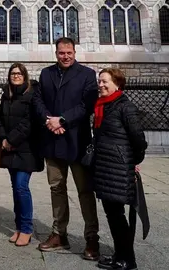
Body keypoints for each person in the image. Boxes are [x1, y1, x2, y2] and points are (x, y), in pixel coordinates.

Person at [32, 37, 100, 260]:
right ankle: (59, 233)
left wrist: (62, 120)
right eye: (62, 53)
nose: (66, 56)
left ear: (74, 51)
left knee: (84, 191)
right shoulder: (46, 74)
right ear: (56, 53)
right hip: (52, 140)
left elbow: (86, 106)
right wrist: (48, 120)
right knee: (57, 189)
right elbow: (38, 101)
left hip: (77, 141)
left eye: (69, 52)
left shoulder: (87, 75)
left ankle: (91, 237)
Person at [92, 68, 147, 270]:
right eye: (99, 81)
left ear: (117, 83)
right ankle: (119, 254)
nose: (101, 85)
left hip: (118, 169)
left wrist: (133, 162)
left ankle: (128, 260)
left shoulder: (125, 107)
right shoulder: (103, 106)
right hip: (105, 168)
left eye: (105, 81)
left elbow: (139, 140)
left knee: (118, 216)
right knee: (112, 215)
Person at [0, 63, 44, 246]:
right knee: (15, 188)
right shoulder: (7, 95)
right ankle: (18, 226)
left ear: (25, 75)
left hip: (26, 149)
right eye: (13, 73)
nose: (16, 76)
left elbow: (30, 121)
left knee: (22, 187)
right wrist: (2, 137)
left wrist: (12, 139)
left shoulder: (32, 94)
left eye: (19, 73)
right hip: (8, 148)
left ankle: (27, 229)